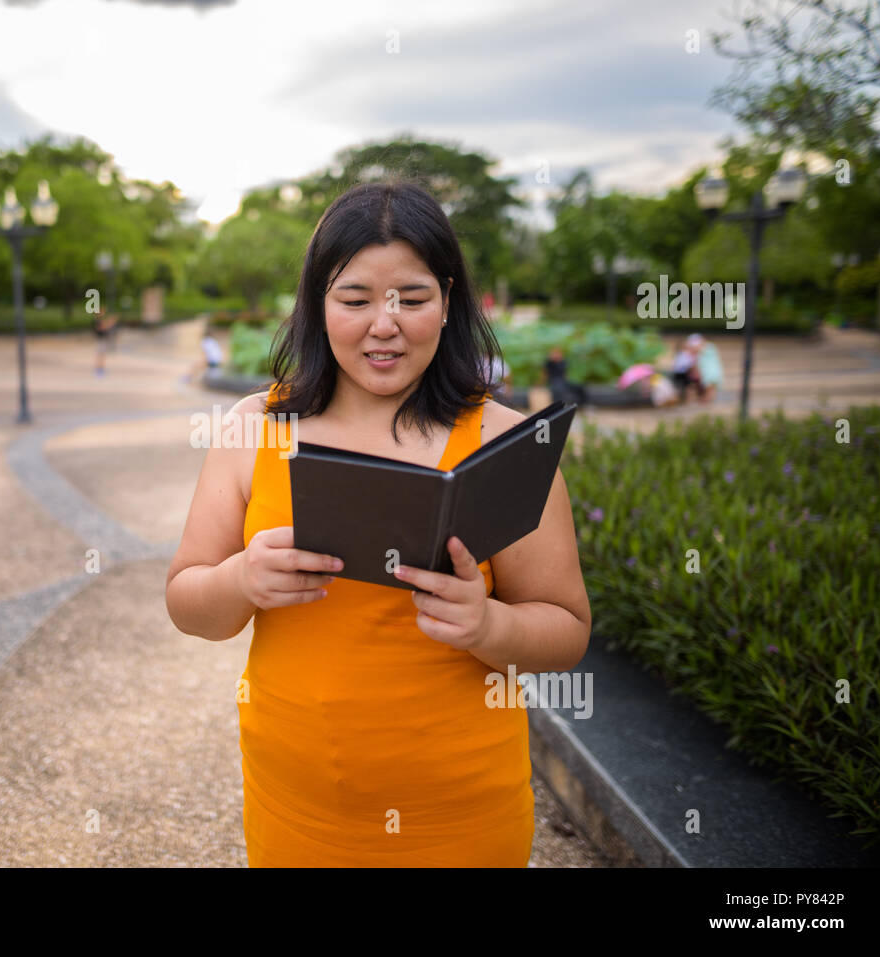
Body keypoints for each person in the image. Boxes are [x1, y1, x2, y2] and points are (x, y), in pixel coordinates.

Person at [165, 181, 591, 866]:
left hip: (459, 812)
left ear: (449, 301)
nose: (382, 324)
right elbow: (189, 604)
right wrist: (243, 577)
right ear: (317, 303)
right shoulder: (255, 426)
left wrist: (487, 625)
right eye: (354, 299)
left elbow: (567, 630)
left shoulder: (504, 440)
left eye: (412, 299)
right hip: (295, 805)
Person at [92, 309, 119, 375]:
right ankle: (100, 368)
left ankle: (100, 367)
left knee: (102, 354)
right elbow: (102, 328)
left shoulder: (99, 320)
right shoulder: (98, 321)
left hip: (102, 339)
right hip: (101, 339)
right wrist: (110, 323)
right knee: (101, 354)